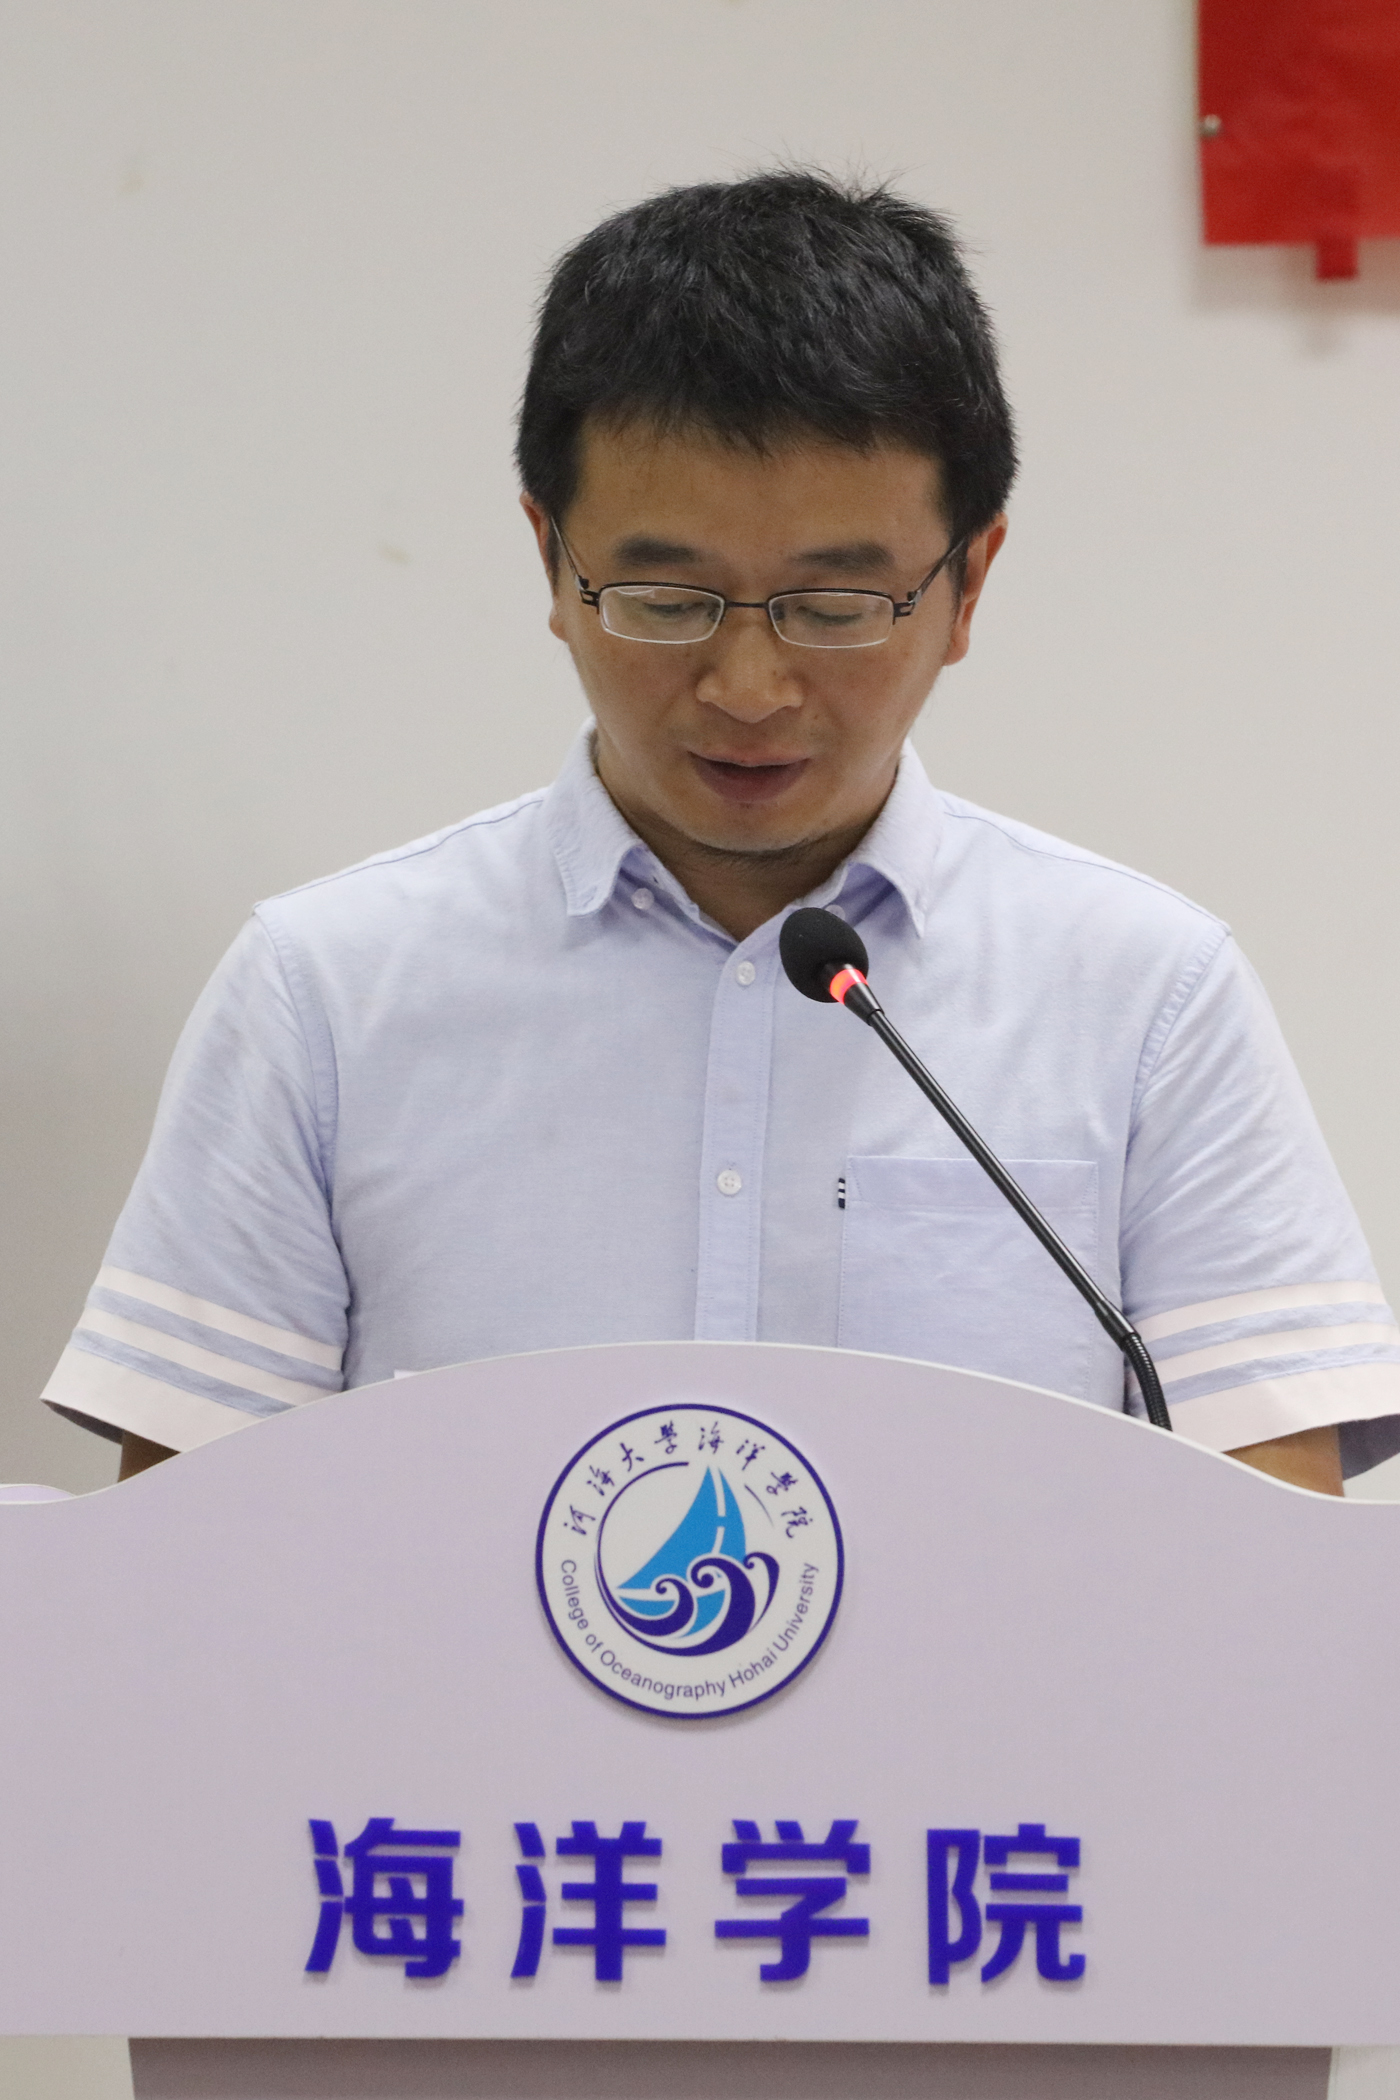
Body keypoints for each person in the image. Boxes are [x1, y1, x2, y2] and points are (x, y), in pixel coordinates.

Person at [43, 171, 1400, 1495]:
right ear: (551, 562)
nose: (749, 689)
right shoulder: (329, 993)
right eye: (666, 598)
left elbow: (1277, 1567)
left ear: (970, 583)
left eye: (834, 606)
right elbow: (176, 1573)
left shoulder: (1145, 997)